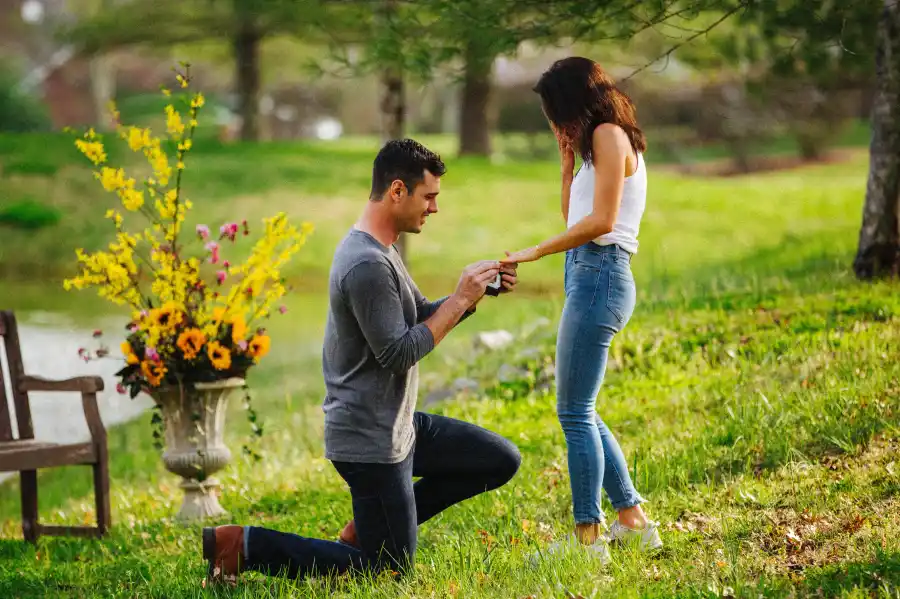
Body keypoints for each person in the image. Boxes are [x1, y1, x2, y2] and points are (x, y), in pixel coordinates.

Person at [202, 139, 522, 583]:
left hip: (397, 426)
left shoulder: (381, 250)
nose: (434, 208)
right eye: (428, 197)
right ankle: (243, 544)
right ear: (396, 191)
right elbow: (397, 353)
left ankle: (382, 523)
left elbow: (420, 316)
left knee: (498, 459)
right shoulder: (367, 263)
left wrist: (471, 296)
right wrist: (461, 297)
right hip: (370, 443)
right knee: (387, 572)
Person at [502, 57, 662, 557]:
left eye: (554, 111)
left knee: (573, 411)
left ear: (573, 101)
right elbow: (575, 213)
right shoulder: (594, 144)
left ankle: (587, 540)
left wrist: (535, 250)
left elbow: (602, 222)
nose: (554, 121)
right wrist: (566, 162)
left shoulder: (612, 135)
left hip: (601, 273)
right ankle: (633, 522)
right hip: (586, 273)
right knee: (583, 410)